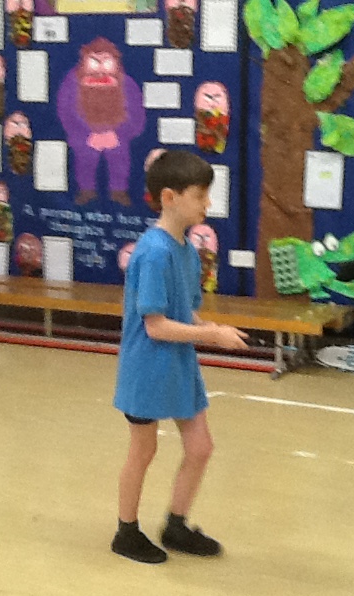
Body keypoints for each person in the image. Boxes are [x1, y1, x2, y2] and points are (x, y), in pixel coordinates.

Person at [111, 150, 248, 564]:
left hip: (178, 364)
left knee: (200, 447)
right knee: (143, 451)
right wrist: (212, 335)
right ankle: (126, 532)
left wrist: (208, 326)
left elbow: (183, 312)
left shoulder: (187, 249)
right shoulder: (153, 252)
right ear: (169, 198)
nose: (208, 203)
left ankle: (176, 525)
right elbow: (155, 326)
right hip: (146, 367)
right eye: (200, 195)